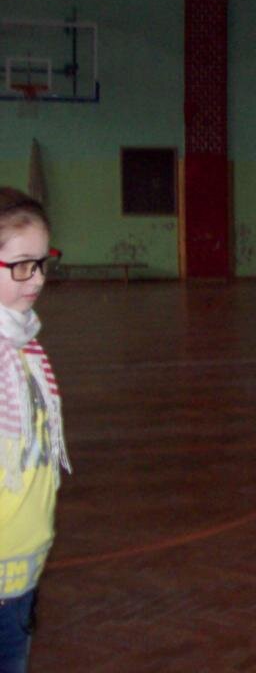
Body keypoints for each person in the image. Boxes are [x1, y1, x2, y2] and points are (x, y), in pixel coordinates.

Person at [0, 187, 72, 673]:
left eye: (42, 263)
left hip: (20, 570)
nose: (38, 278)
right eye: (22, 265)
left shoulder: (25, 343)